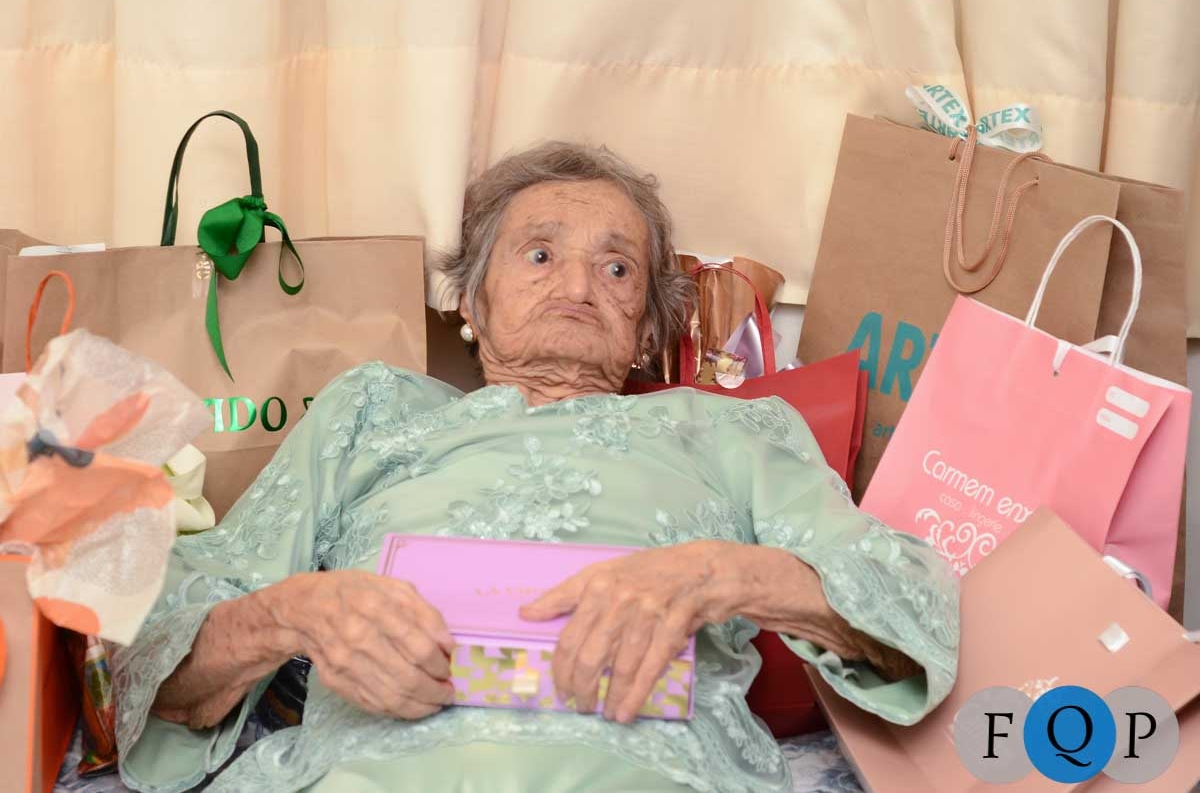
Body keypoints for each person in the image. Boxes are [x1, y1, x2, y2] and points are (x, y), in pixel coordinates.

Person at [113, 142, 958, 792]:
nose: (580, 287)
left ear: (647, 326)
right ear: (471, 302)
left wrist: (723, 574)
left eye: (617, 266)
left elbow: (911, 613)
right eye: (541, 255)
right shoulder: (371, 411)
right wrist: (292, 612)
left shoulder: (731, 431)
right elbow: (157, 666)